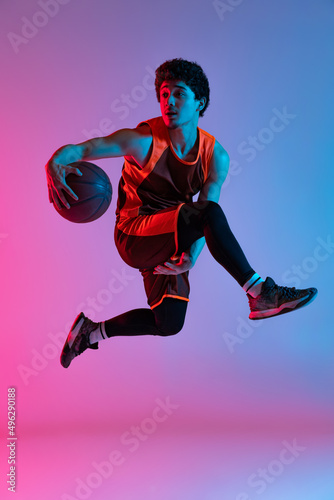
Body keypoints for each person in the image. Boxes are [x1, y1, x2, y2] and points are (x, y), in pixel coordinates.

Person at [45, 58, 317, 369]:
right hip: (134, 233)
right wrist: (55, 160)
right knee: (207, 214)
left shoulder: (215, 156)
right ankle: (260, 292)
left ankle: (90, 333)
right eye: (163, 94)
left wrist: (191, 256)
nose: (169, 102)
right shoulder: (142, 140)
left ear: (199, 103)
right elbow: (83, 149)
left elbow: (207, 209)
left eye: (179, 94)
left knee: (168, 322)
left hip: (173, 231)